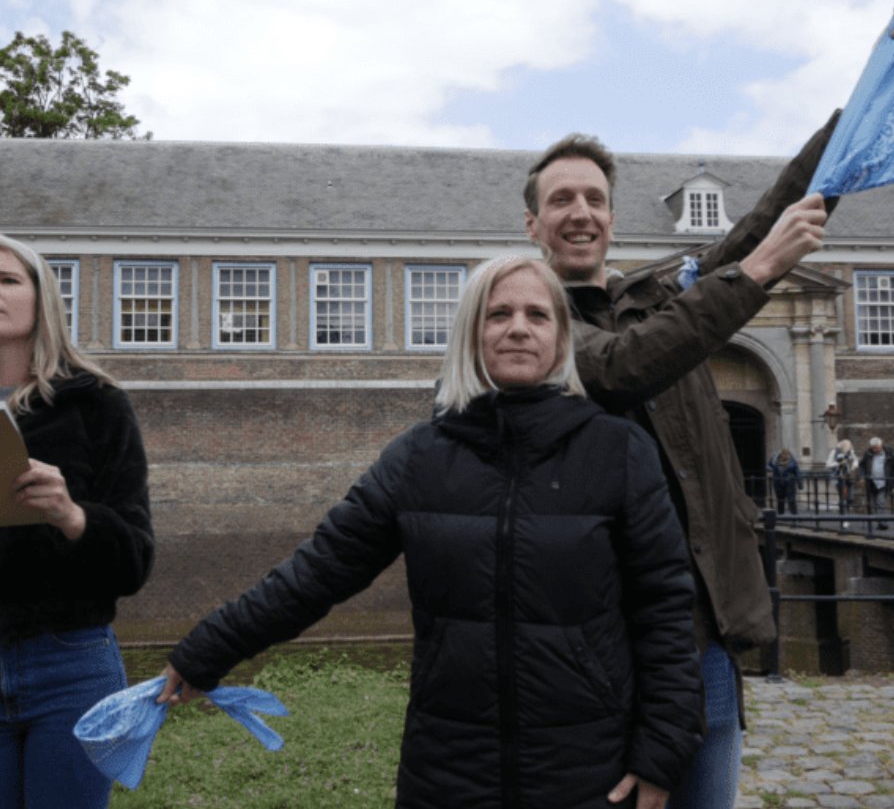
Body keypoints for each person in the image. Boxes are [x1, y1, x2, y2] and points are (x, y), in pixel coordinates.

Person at [159, 257, 702, 809]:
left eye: (537, 315)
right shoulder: (418, 458)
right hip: (447, 769)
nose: (518, 328)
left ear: (561, 338)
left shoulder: (618, 453)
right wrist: (208, 650)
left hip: (587, 769)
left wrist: (661, 750)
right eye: (499, 314)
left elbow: (664, 610)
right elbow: (317, 573)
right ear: (471, 333)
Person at [522, 111, 840, 809]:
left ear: (612, 219)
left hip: (707, 628)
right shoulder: (534, 326)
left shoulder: (659, 299)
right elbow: (624, 366)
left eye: (594, 199)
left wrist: (848, 133)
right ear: (533, 225)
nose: (580, 213)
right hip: (604, 642)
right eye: (561, 200)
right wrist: (755, 274)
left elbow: (758, 228)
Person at [0, 235, 154, 809]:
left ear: (43, 298)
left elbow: (135, 561)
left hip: (70, 664)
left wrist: (72, 516)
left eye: (6, 280)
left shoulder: (96, 404)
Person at [859, 437, 893, 529]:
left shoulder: (889, 453)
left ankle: (882, 523)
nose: (876, 450)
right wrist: (862, 476)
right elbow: (862, 465)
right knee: (874, 504)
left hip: (884, 482)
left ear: (881, 445)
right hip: (872, 482)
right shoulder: (868, 454)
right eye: (874, 448)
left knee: (880, 502)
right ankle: (880, 521)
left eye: (877, 447)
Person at [766, 448, 804, 515]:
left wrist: (800, 483)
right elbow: (768, 466)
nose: (785, 456)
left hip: (789, 483)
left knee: (791, 500)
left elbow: (797, 472)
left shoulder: (792, 462)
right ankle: (781, 515)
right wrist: (771, 467)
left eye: (787, 454)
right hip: (778, 483)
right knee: (780, 501)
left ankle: (794, 517)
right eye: (783, 454)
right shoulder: (775, 461)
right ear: (781, 455)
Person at [826, 438, 858, 515]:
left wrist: (854, 466)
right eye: (847, 447)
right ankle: (842, 512)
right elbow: (828, 464)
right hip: (839, 476)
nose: (848, 448)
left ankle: (847, 508)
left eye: (849, 447)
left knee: (850, 496)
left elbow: (856, 460)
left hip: (849, 476)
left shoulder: (851, 452)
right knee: (842, 495)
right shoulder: (834, 452)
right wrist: (838, 463)